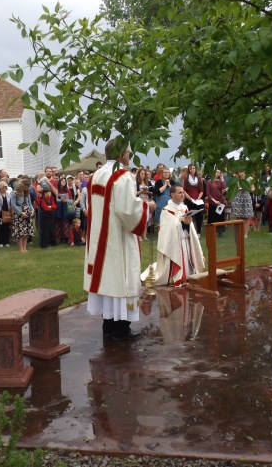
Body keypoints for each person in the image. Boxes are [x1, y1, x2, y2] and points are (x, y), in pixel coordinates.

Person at [85, 138, 155, 341]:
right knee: (122, 281)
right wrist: (146, 207)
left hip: (100, 238)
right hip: (118, 238)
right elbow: (127, 211)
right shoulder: (122, 176)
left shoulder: (96, 175)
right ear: (120, 154)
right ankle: (122, 330)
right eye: (128, 153)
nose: (129, 156)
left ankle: (109, 327)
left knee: (109, 282)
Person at [142, 183, 205, 286]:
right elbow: (168, 230)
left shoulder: (184, 208)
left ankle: (188, 275)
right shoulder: (167, 210)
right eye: (180, 193)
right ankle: (175, 276)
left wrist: (188, 223)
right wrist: (182, 221)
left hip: (186, 241)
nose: (182, 195)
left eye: (183, 192)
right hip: (175, 244)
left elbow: (190, 227)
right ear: (172, 195)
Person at [11, 181, 34, 253]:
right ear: (23, 185)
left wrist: (32, 210)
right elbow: (13, 204)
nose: (28, 188)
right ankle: (21, 249)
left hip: (27, 213)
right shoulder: (14, 193)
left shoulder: (27, 193)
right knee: (20, 232)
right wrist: (21, 213)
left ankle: (25, 248)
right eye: (27, 186)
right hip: (19, 214)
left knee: (26, 232)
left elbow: (30, 203)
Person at [183, 163, 206, 235]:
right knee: (191, 217)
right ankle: (191, 233)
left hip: (198, 201)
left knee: (200, 217)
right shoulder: (186, 180)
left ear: (195, 169)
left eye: (193, 168)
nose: (192, 170)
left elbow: (201, 191)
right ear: (189, 170)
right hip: (189, 201)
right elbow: (184, 191)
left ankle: (198, 233)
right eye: (190, 169)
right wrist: (190, 199)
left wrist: (198, 199)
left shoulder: (199, 179)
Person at [231, 171, 253, 239]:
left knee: (246, 218)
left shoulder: (249, 179)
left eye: (242, 172)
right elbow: (233, 188)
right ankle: (238, 233)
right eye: (239, 172)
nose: (240, 173)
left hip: (246, 198)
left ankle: (245, 234)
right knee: (238, 217)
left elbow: (252, 188)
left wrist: (246, 188)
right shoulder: (236, 179)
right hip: (238, 198)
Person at [206, 169, 228, 235]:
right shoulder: (209, 182)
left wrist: (222, 179)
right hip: (213, 202)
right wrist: (215, 201)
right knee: (212, 217)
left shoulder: (221, 182)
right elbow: (208, 193)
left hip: (220, 202)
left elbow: (224, 188)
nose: (218, 173)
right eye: (217, 172)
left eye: (219, 172)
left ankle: (220, 232)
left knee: (220, 216)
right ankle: (212, 231)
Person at [0, 180, 12, 247]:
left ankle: (7, 242)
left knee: (7, 228)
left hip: (7, 213)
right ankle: (1, 242)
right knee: (0, 228)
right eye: (3, 188)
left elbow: (10, 204)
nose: (4, 189)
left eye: (5, 188)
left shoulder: (8, 194)